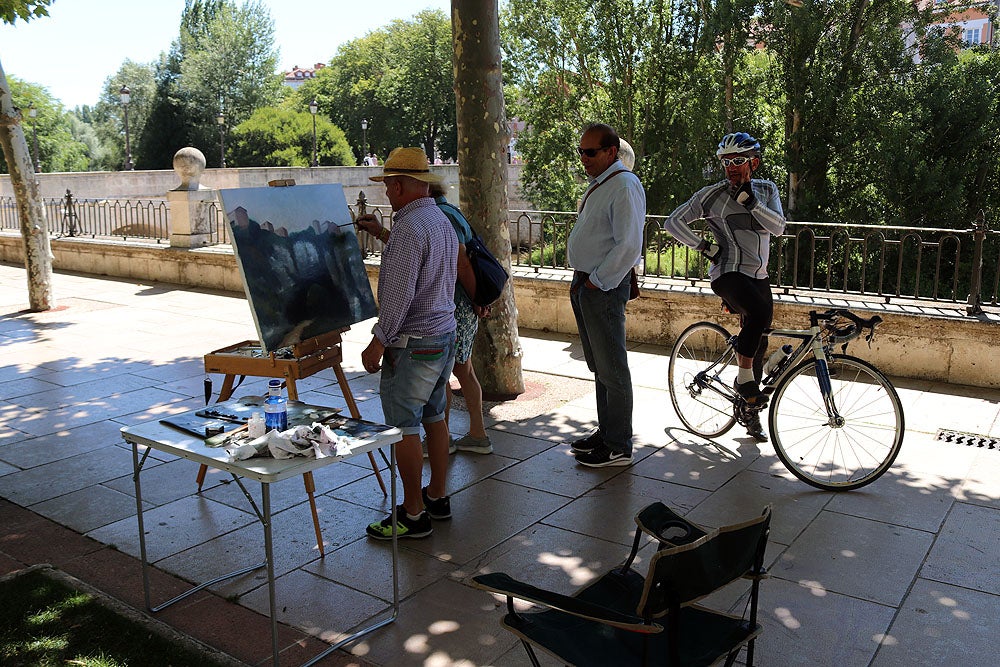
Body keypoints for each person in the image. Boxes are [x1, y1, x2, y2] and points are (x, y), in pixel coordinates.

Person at [355, 147, 458, 539]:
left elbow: (398, 297)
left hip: (413, 344)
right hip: (442, 335)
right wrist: (383, 234)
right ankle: (438, 496)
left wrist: (377, 343)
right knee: (434, 416)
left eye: (386, 186)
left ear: (398, 186)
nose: (385, 193)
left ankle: (413, 514)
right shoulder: (438, 219)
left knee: (404, 427)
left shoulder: (409, 228)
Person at [661, 132, 786, 440]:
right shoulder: (712, 195)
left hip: (759, 276)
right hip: (727, 271)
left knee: (760, 341)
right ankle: (744, 382)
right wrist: (704, 247)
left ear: (753, 163)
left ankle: (748, 410)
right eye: (726, 162)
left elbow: (779, 228)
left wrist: (753, 204)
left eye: (739, 161)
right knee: (757, 315)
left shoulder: (767, 190)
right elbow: (673, 222)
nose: (731, 167)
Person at [566, 123, 646, 467]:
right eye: (580, 151)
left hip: (603, 287)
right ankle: (607, 431)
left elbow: (629, 245)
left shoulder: (624, 185)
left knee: (613, 367)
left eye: (590, 152)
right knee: (600, 366)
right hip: (588, 283)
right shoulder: (604, 184)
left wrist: (598, 282)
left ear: (611, 152)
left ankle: (618, 444)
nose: (583, 158)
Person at [428, 182, 493, 454]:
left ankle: (441, 440)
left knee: (444, 374)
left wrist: (478, 298)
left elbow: (460, 261)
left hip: (458, 305)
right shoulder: (449, 211)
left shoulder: (441, 216)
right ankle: (476, 434)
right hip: (464, 304)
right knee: (462, 370)